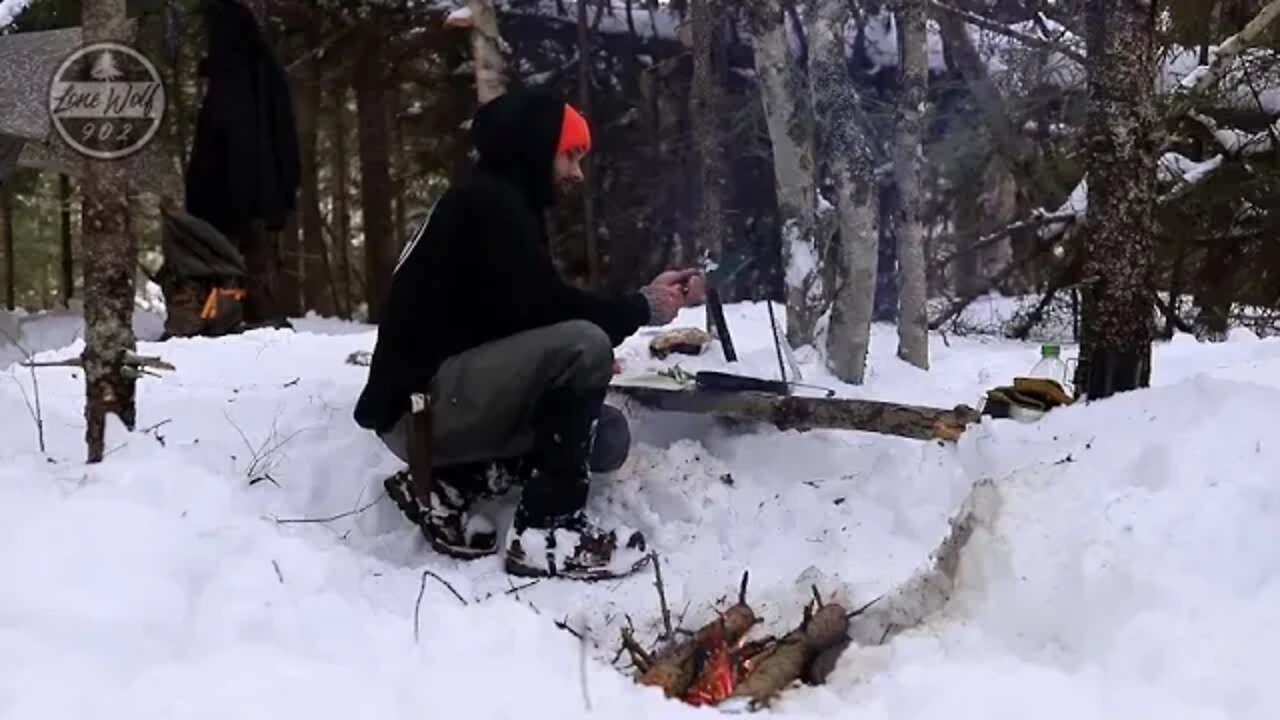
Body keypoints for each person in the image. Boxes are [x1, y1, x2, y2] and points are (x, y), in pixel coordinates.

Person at [353, 88, 706, 580]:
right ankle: (548, 533)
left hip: (436, 408)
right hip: (420, 412)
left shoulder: (497, 204)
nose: (576, 173)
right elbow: (547, 311)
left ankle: (451, 482)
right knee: (584, 347)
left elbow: (525, 312)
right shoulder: (488, 206)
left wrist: (635, 305)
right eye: (569, 155)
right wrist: (640, 308)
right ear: (534, 144)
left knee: (604, 436)